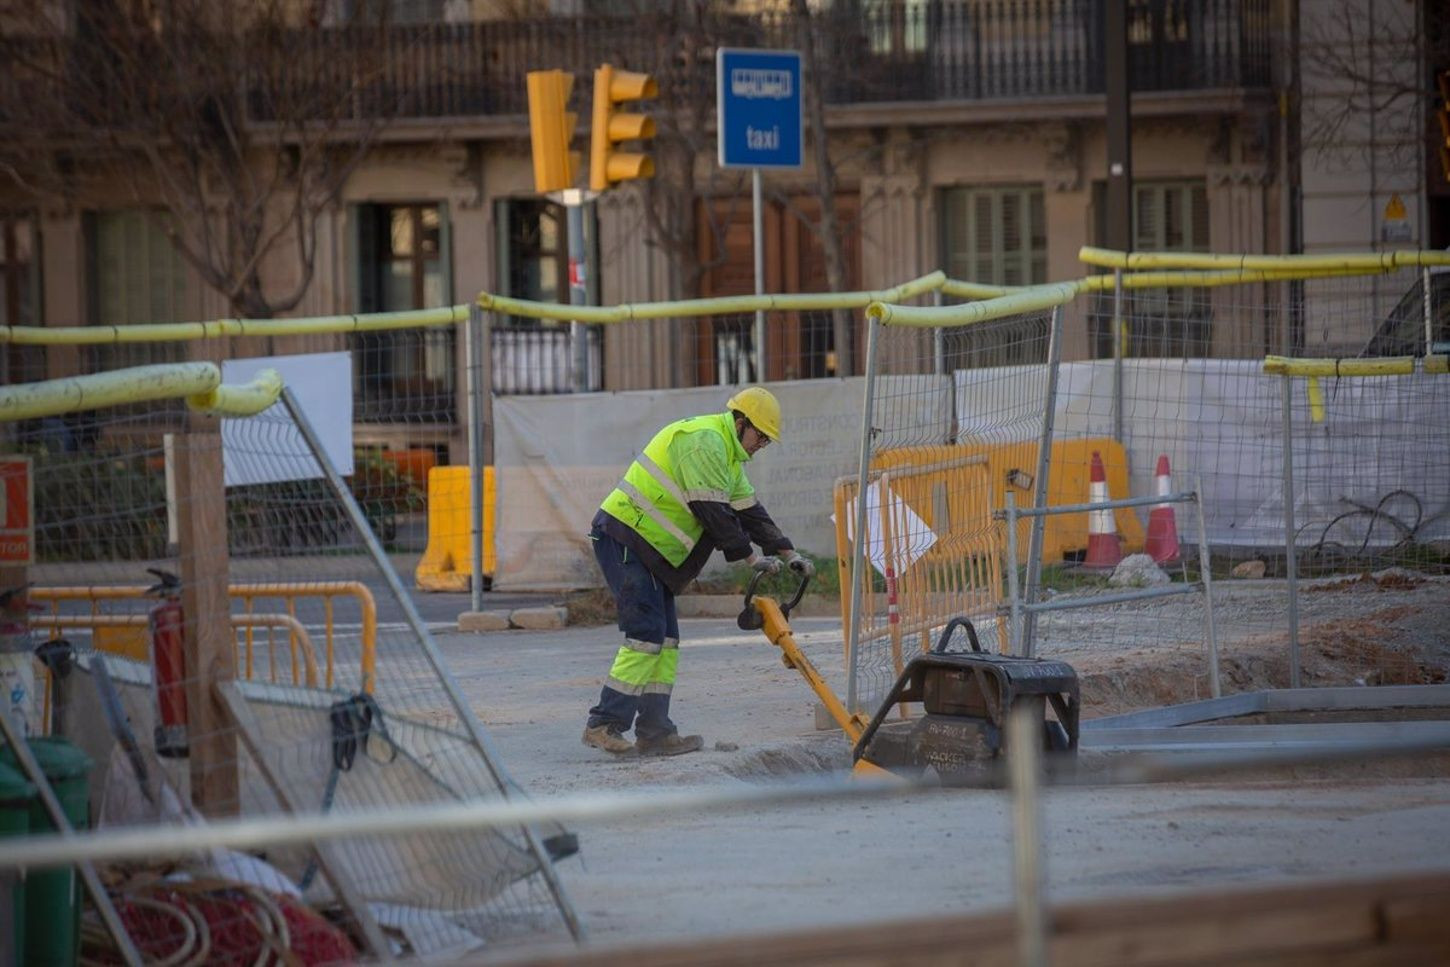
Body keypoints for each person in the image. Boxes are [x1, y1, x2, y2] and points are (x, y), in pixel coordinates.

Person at [582, 386, 815, 757]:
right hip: (624, 537)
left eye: (767, 442)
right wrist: (751, 560)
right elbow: (712, 512)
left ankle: (655, 732)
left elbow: (750, 513)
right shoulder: (704, 441)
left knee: (667, 640)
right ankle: (603, 724)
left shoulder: (728, 460)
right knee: (646, 632)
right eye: (760, 437)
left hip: (652, 552)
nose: (761, 445)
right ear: (741, 423)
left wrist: (788, 553)